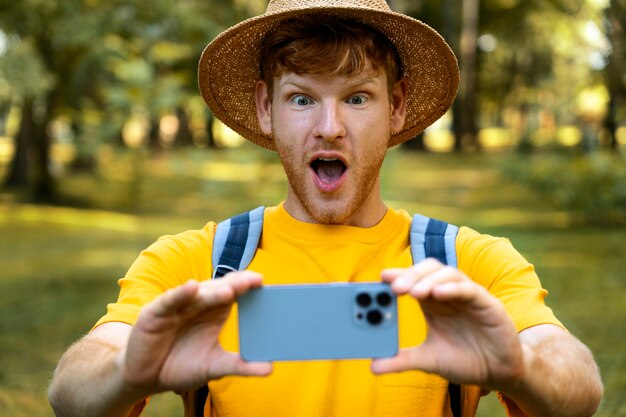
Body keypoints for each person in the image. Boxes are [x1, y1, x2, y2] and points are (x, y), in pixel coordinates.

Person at [48, 0, 603, 416]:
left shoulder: (466, 267)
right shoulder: (195, 267)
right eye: (302, 98)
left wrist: (519, 367)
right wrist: (126, 371)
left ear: (397, 107)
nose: (329, 127)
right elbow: (71, 391)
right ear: (266, 109)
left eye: (357, 97)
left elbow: (580, 386)